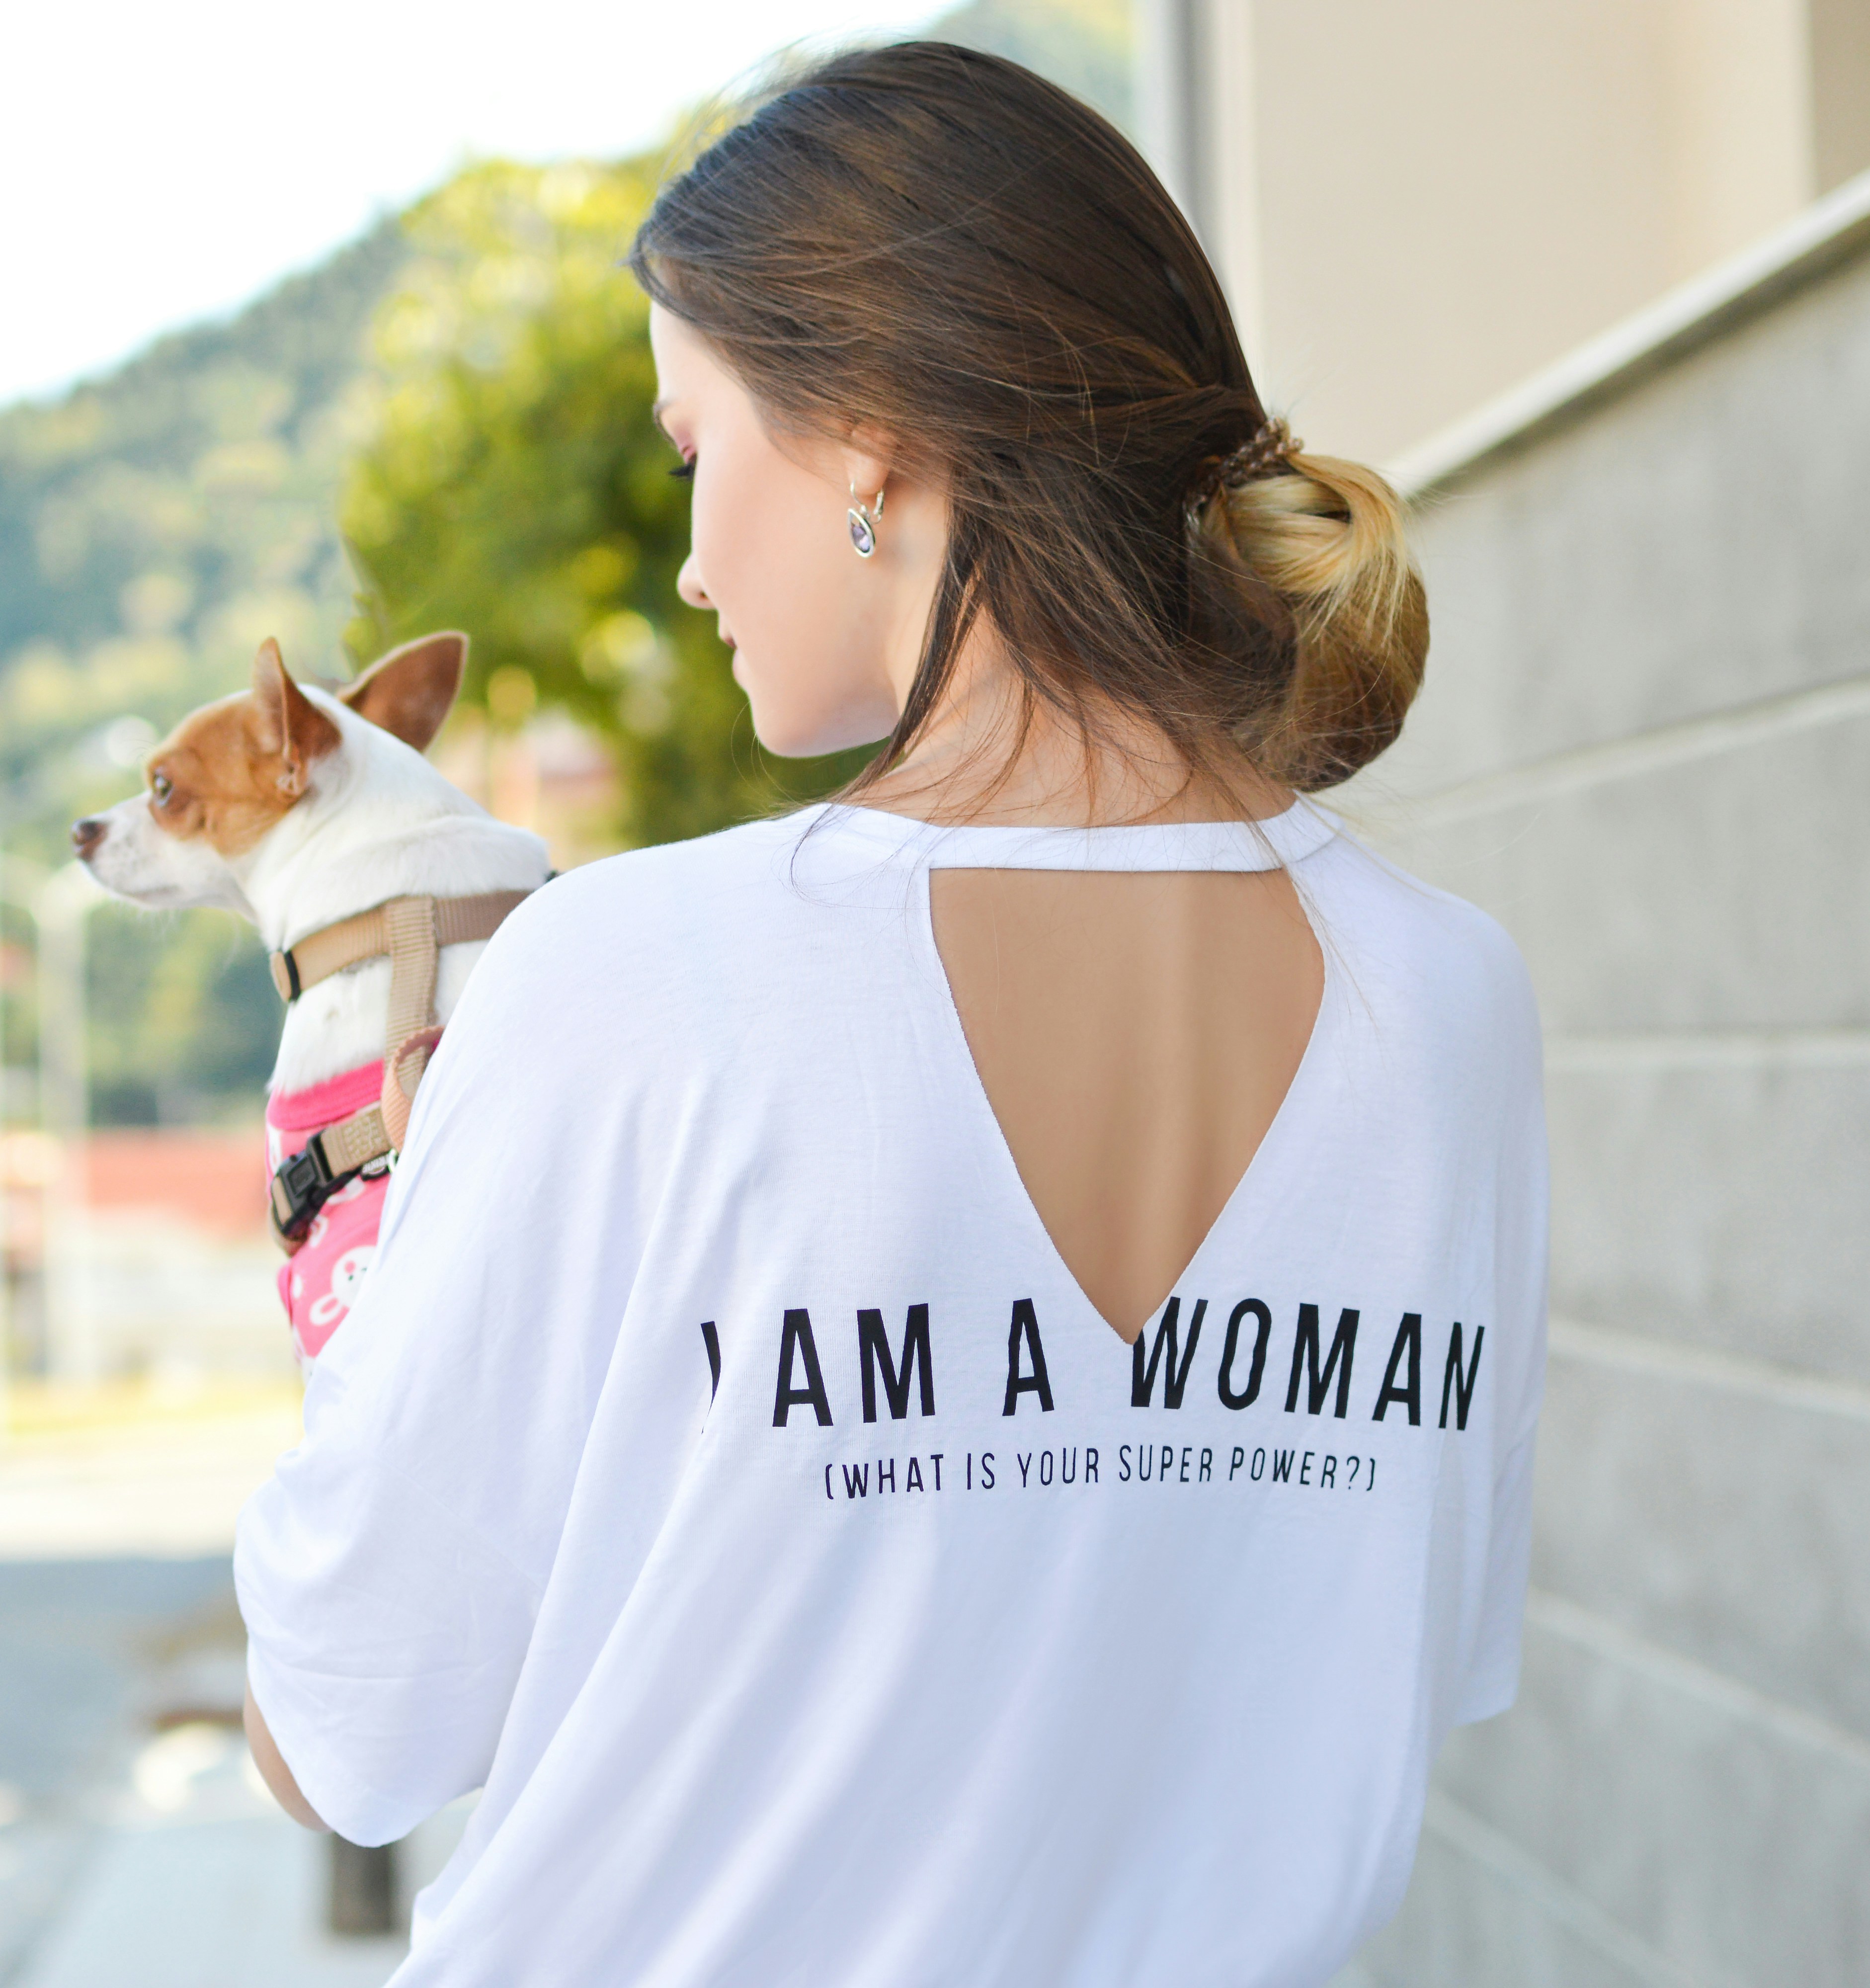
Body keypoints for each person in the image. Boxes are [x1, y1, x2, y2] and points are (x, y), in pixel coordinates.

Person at [235, 39, 1542, 1987]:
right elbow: (1386, 1661)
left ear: (862, 431)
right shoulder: (1451, 1003)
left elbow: (340, 1728)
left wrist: (381, 1270)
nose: (685, 562)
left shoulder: (633, 978)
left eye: (698, 452)